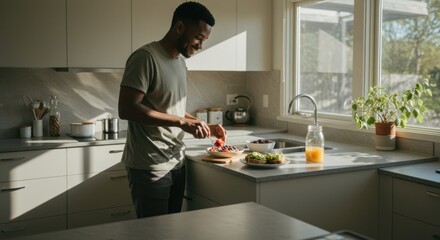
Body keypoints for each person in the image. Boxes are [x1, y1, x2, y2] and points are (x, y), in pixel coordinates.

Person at [118, 1, 226, 218]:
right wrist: (181, 123)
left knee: (171, 230)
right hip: (149, 164)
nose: (200, 46)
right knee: (153, 233)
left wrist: (200, 124)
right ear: (179, 28)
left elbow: (171, 109)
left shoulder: (179, 63)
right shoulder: (145, 58)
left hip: (176, 161)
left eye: (204, 40)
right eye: (198, 38)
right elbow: (127, 109)